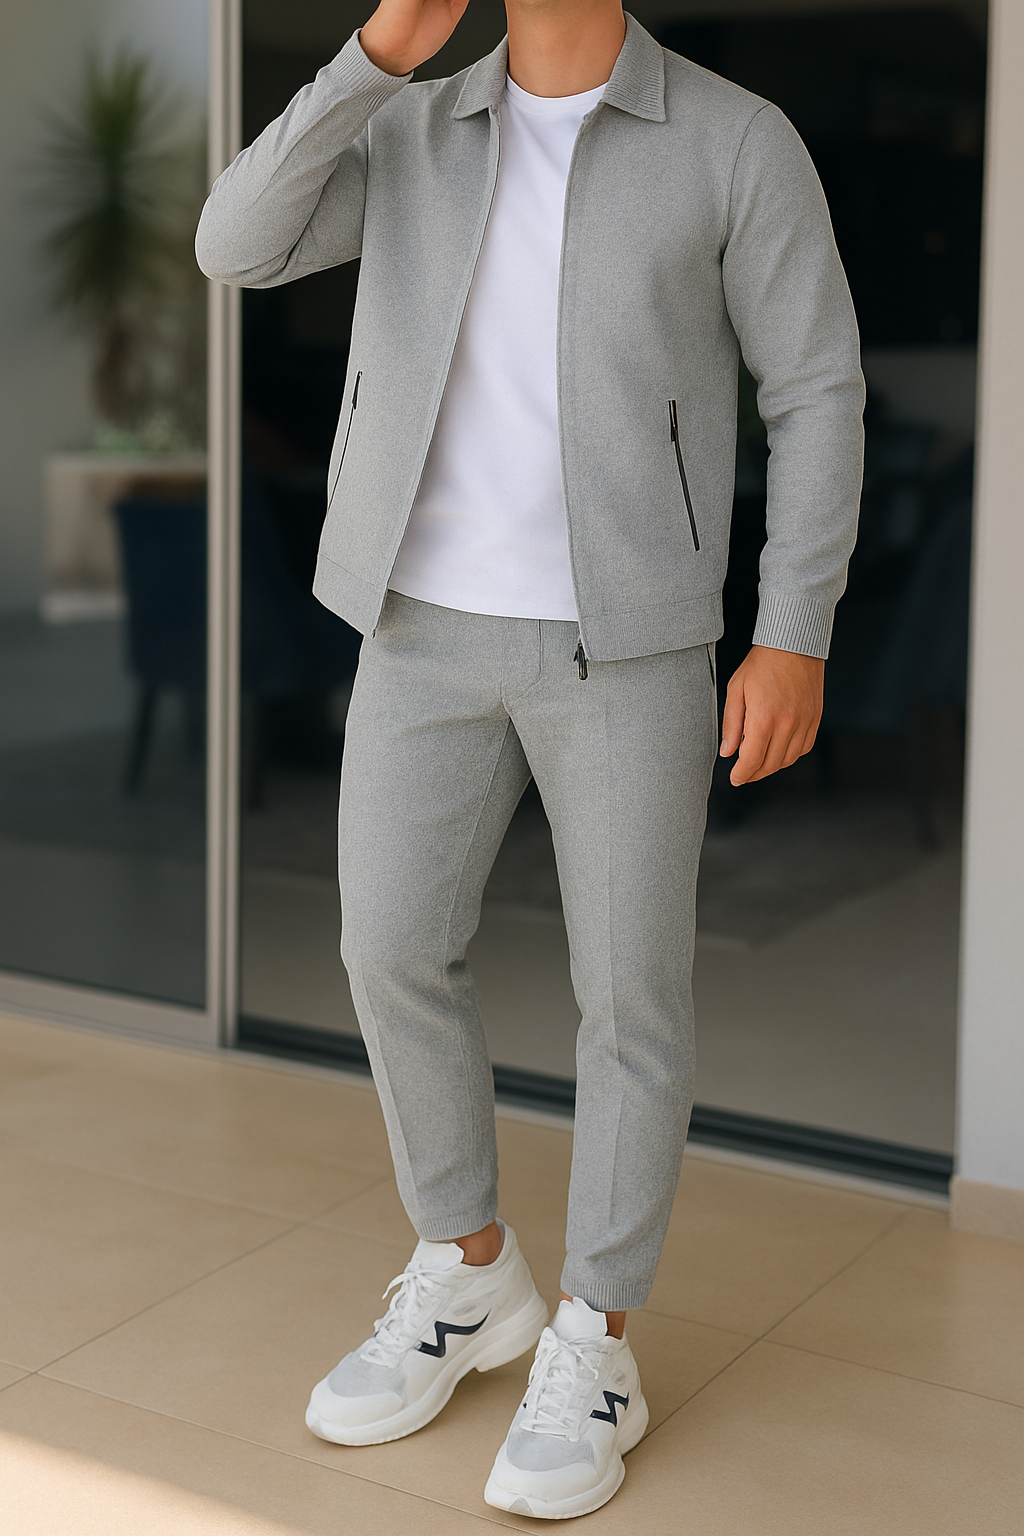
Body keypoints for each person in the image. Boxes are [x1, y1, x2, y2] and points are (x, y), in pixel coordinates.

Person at [196, 0, 863, 1517]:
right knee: (388, 950)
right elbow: (235, 244)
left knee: (629, 1001)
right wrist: (381, 49)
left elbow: (816, 386)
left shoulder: (734, 141)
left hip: (625, 644)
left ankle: (598, 1338)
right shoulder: (412, 125)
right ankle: (467, 1268)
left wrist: (793, 633)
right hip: (416, 628)